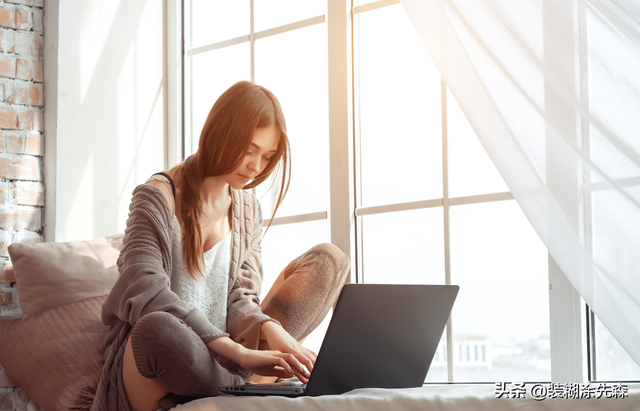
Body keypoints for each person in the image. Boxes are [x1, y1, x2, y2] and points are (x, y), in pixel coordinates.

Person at [90, 81, 350, 411]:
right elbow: (146, 293)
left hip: (222, 365)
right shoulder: (156, 195)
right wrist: (238, 351)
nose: (256, 167)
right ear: (221, 133)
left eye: (267, 156)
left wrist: (271, 330)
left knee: (330, 261)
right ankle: (246, 389)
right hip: (164, 361)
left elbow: (240, 298)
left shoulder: (246, 209)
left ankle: (240, 386)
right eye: (250, 150)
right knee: (158, 329)